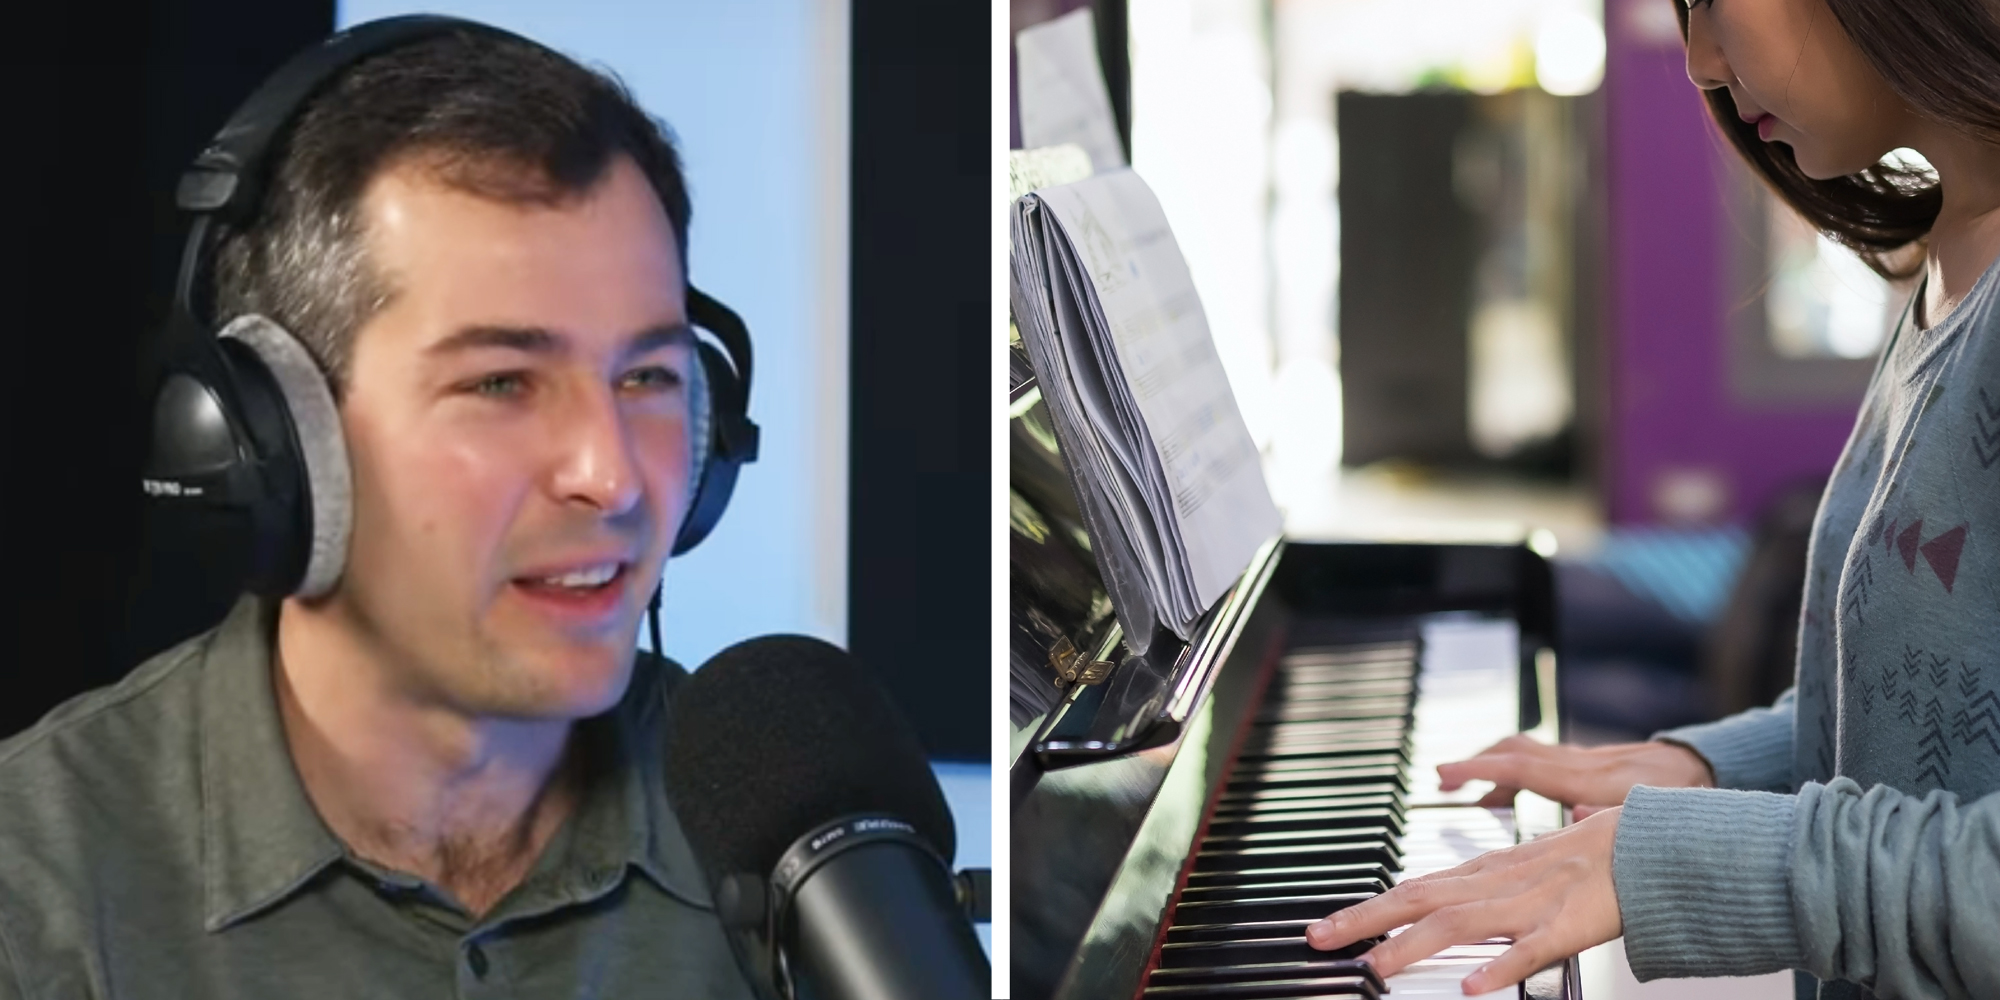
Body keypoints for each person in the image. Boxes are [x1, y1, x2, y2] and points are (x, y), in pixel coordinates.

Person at [0, 20, 759, 998]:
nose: (609, 475)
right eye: (501, 383)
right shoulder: (30, 893)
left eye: (648, 374)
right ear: (268, 442)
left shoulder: (800, 848)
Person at [1307, 0, 2000, 997]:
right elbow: (1934, 711)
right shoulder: (1952, 257)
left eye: (1710, 1)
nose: (1697, 63)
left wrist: (1694, 857)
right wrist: (1704, 767)